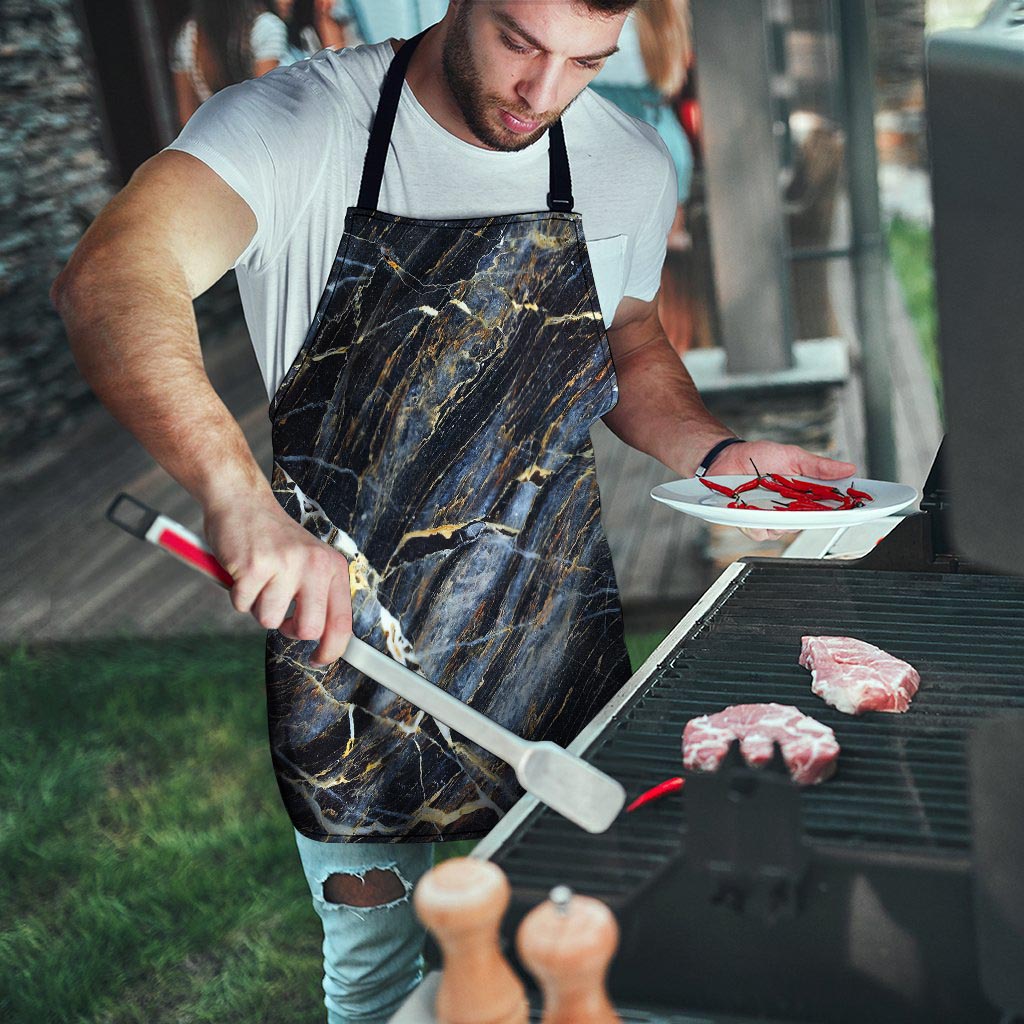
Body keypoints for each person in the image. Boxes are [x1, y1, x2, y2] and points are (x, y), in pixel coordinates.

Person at [52, 2, 856, 1020]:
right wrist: (238, 499)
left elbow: (629, 335)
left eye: (585, 62)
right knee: (380, 978)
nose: (543, 92)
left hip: (551, 632)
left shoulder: (624, 160)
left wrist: (718, 450)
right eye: (521, 42)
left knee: (587, 944)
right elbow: (112, 275)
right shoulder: (297, 124)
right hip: (349, 654)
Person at [170, 0, 289, 127]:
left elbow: (187, 117)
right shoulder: (265, 27)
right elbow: (266, 104)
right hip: (264, 136)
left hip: (215, 138)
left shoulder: (187, 36)